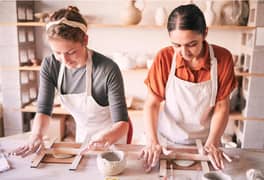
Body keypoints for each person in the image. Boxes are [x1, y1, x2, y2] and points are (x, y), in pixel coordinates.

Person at [12, 6, 131, 157]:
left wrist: (104, 139)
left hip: (112, 139)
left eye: (71, 52)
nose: (65, 60)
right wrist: (36, 135)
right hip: (82, 138)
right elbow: (43, 109)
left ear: (85, 40)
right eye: (57, 53)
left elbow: (122, 124)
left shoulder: (107, 69)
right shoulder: (50, 65)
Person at [140, 4, 237, 171]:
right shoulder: (164, 57)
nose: (184, 53)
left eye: (191, 44)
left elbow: (222, 106)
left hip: (207, 142)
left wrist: (213, 142)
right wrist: (153, 141)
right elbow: (152, 104)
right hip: (167, 142)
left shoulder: (222, 58)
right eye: (177, 45)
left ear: (205, 33)